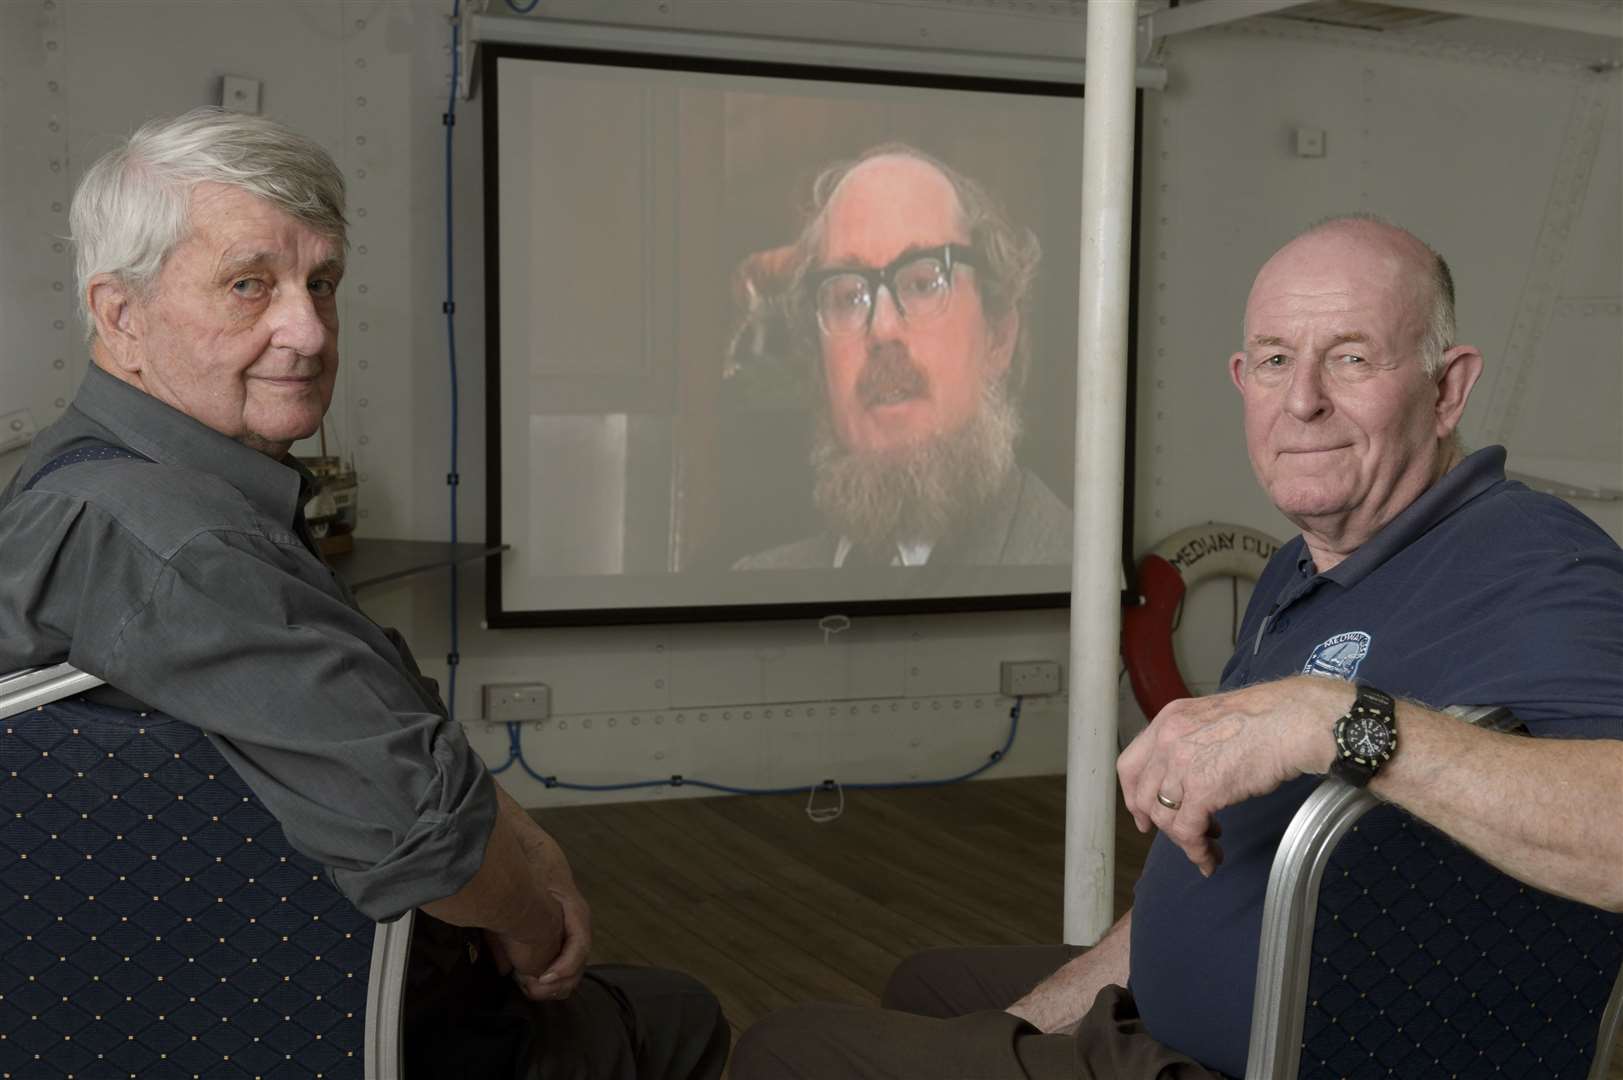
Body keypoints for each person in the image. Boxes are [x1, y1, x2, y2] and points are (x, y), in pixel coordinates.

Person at [729, 214, 1623, 1078]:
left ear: (1447, 387)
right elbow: (1209, 875)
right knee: (927, 987)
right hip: (1183, 1007)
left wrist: (1336, 721)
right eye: (1275, 361)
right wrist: (1028, 1025)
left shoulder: (1534, 566)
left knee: (786, 1048)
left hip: (1270, 1056)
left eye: (1351, 358)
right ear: (1242, 379)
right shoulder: (1297, 568)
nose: (1303, 399)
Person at [0, 108, 728, 1080]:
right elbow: (427, 836)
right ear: (121, 316)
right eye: (248, 285)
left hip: (207, 998)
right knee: (678, 1015)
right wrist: (534, 912)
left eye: (322, 284)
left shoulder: (85, 474)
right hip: (315, 1024)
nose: (306, 330)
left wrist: (508, 828)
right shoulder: (179, 546)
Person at [733, 143, 1071, 569]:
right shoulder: (756, 588)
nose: (883, 329)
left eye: (923, 283)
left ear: (998, 336)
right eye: (848, 295)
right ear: (820, 361)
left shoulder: (1082, 591)